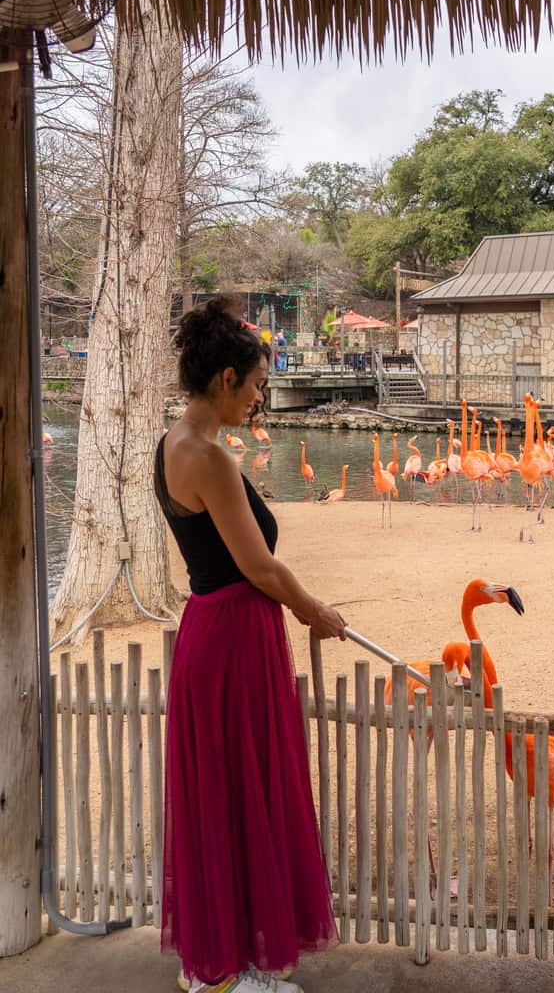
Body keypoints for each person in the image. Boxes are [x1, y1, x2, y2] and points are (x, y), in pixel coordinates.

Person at [154, 297, 345, 993]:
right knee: (243, 796)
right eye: (258, 384)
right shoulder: (207, 458)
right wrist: (312, 610)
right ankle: (232, 971)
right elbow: (258, 567)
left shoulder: (172, 443)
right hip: (235, 635)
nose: (262, 398)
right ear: (227, 378)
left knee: (227, 795)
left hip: (216, 627)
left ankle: (223, 960)